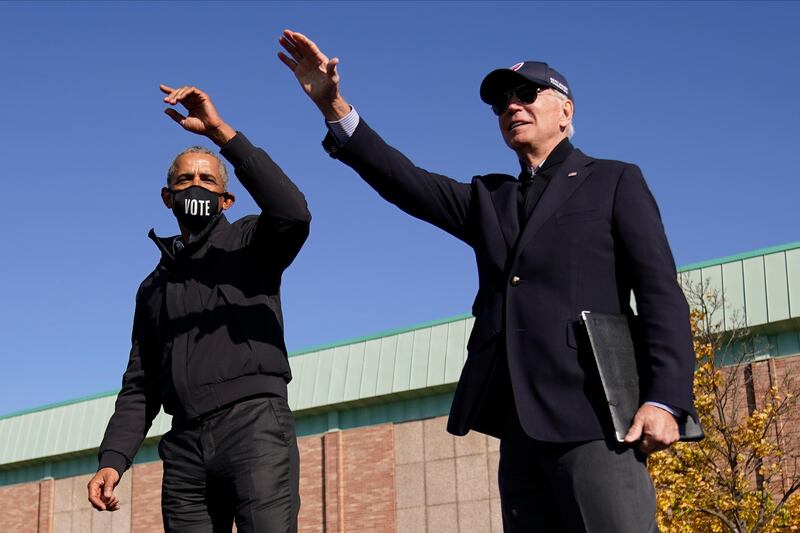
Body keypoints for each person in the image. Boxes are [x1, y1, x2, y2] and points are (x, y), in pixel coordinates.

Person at [278, 30, 698, 532]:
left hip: (597, 419)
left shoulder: (614, 180)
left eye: (526, 94)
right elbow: (405, 181)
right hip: (519, 427)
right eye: (501, 102)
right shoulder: (489, 198)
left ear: (566, 111)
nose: (511, 107)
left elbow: (660, 297)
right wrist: (334, 107)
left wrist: (664, 398)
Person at [87, 84, 310, 533]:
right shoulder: (152, 286)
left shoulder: (251, 242)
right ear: (167, 197)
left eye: (208, 180)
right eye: (185, 180)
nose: (196, 186)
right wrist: (113, 460)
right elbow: (140, 385)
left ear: (227, 200)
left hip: (255, 428)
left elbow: (293, 212)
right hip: (184, 448)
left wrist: (221, 133)